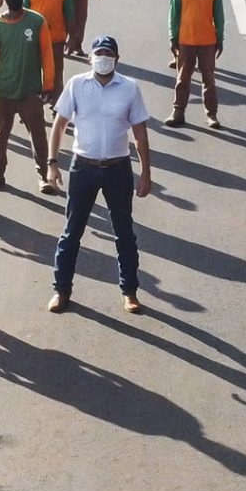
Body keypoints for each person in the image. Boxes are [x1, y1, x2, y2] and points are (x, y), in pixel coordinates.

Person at [48, 35, 154, 314]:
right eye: (99, 53)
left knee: (124, 234)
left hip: (118, 169)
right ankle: (61, 290)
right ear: (90, 57)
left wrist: (146, 173)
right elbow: (58, 126)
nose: (103, 58)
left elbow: (140, 135)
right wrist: (52, 162)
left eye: (108, 54)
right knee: (72, 232)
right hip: (84, 167)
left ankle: (129, 292)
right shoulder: (76, 85)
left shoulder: (130, 88)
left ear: (116, 59)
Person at [0, 0, 59, 195]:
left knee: (38, 135)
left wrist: (47, 83)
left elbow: (47, 55)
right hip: (3, 91)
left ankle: (44, 177)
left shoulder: (36, 22)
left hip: (29, 91)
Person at [166, 0, 225, 128]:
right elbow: (173, 13)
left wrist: (220, 38)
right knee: (183, 78)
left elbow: (219, 15)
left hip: (207, 41)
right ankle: (178, 111)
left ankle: (211, 115)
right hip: (185, 40)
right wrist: (173, 37)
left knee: (209, 79)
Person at [26, 0, 75, 89]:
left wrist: (72, 38)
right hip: (34, 39)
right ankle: (36, 101)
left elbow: (70, 14)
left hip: (57, 38)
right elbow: (22, 13)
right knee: (34, 72)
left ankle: (56, 104)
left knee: (56, 73)